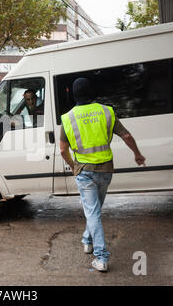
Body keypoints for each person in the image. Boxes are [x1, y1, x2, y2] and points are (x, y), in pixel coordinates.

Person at [60, 77, 146, 272]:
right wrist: (137, 154)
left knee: (93, 213)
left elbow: (63, 149)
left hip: (84, 172)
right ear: (91, 93)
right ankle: (87, 241)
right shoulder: (106, 111)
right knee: (95, 211)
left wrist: (73, 166)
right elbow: (127, 136)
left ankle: (101, 257)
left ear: (73, 95)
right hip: (106, 170)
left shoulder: (68, 118)